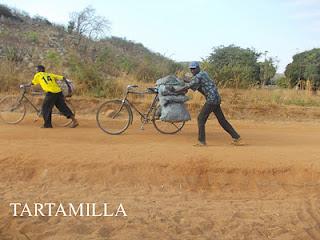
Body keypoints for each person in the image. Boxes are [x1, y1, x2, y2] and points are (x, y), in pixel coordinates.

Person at [172, 61, 242, 146]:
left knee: (200, 119)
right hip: (216, 99)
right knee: (222, 120)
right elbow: (194, 83)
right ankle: (237, 137)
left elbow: (189, 85)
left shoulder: (199, 76)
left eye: (194, 68)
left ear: (198, 68)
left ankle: (201, 141)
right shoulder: (204, 74)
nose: (192, 71)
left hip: (211, 100)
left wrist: (176, 90)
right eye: (191, 69)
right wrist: (186, 81)